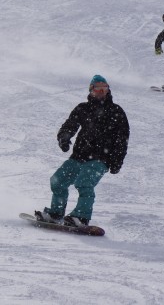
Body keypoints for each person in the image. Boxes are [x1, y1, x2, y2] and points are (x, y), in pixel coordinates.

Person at [35, 75, 129, 227]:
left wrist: (117, 161)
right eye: (98, 88)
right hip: (79, 156)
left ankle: (81, 216)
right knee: (57, 181)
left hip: (101, 159)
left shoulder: (116, 111)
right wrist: (64, 138)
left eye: (105, 88)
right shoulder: (83, 108)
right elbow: (69, 126)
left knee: (84, 183)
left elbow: (122, 140)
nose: (101, 91)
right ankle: (55, 213)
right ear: (91, 90)